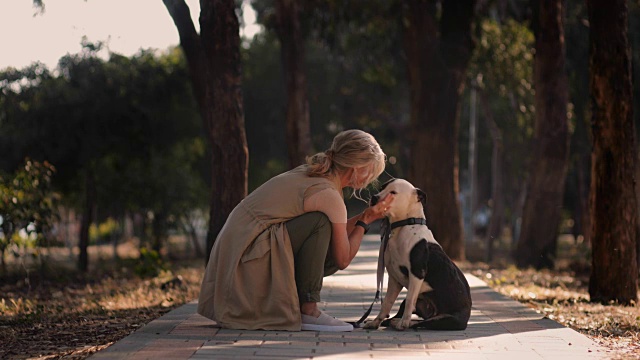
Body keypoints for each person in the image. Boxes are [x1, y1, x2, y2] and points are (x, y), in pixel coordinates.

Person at [197, 129, 394, 332]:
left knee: (323, 229)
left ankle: (303, 307)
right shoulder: (328, 194)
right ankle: (308, 310)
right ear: (355, 168)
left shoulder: (314, 174)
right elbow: (342, 259)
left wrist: (364, 216)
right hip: (244, 266)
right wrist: (365, 222)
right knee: (320, 225)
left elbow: (338, 229)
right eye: (370, 171)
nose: (370, 179)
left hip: (236, 260)